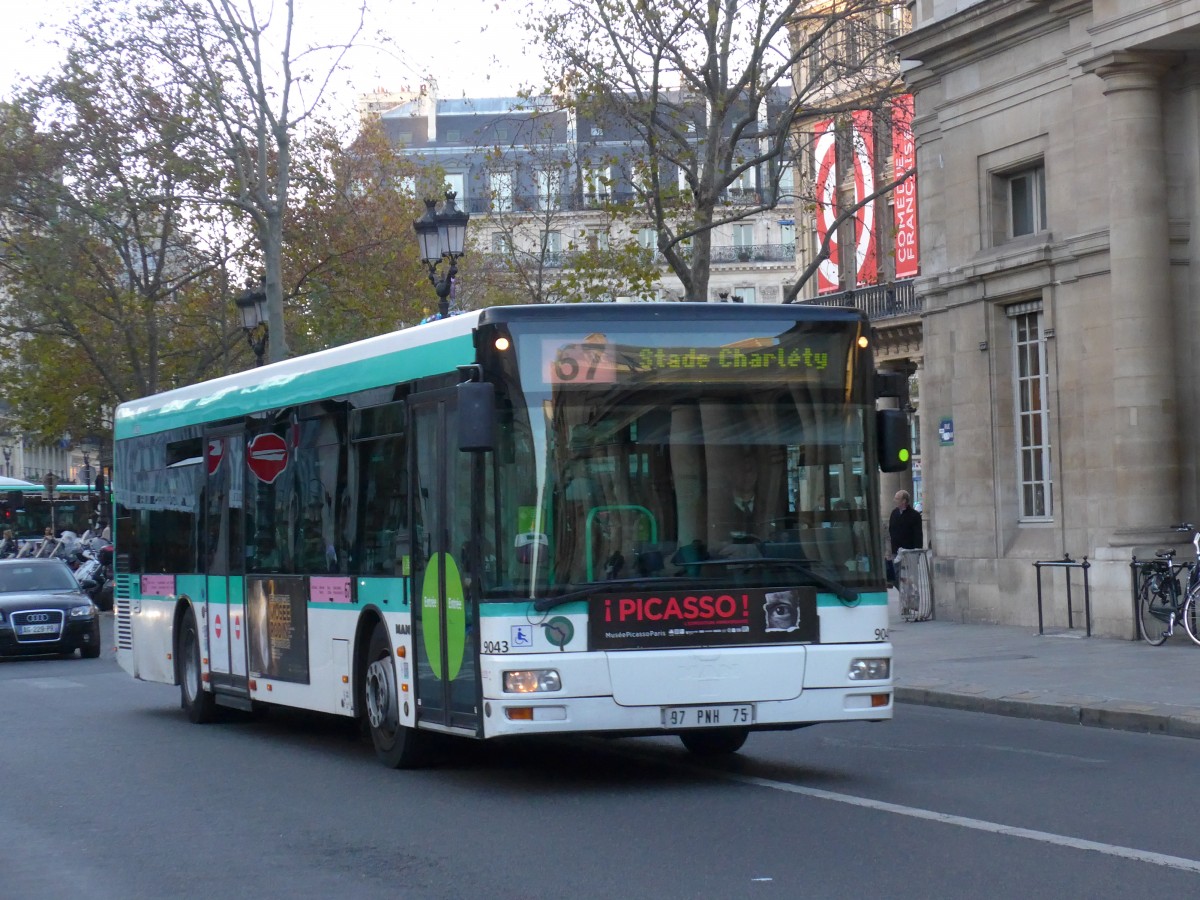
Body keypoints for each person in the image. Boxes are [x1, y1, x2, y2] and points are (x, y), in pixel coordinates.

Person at [887, 490, 923, 586]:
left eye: (897, 498)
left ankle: (912, 597)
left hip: (909, 552)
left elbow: (918, 535)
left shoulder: (915, 515)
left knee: (910, 579)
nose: (894, 500)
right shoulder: (894, 513)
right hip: (896, 552)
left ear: (904, 501)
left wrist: (917, 553)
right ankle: (903, 594)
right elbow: (890, 531)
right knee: (895, 577)